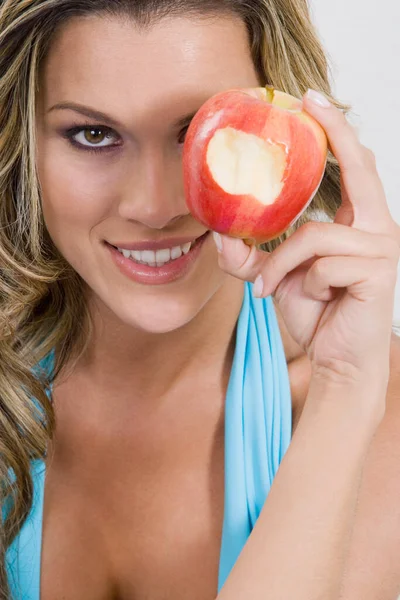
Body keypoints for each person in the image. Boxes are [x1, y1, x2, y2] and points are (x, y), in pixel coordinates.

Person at [0, 0, 399, 598]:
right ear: (24, 146)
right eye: (93, 134)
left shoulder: (371, 406)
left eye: (196, 133)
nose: (154, 206)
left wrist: (345, 389)